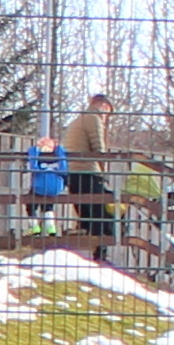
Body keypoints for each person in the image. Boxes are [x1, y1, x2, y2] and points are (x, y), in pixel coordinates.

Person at [61, 92, 121, 251]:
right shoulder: (93, 119)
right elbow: (98, 148)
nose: (106, 118)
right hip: (87, 171)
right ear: (103, 106)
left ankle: (89, 253)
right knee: (99, 214)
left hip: (73, 172)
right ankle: (100, 253)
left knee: (86, 215)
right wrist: (103, 171)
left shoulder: (78, 119)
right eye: (108, 113)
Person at [22, 135, 69, 230]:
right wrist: (59, 148)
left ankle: (34, 227)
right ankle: (51, 228)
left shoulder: (39, 157)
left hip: (39, 186)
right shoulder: (58, 157)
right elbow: (64, 170)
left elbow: (34, 168)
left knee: (30, 205)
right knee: (48, 206)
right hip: (54, 187)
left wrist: (34, 149)